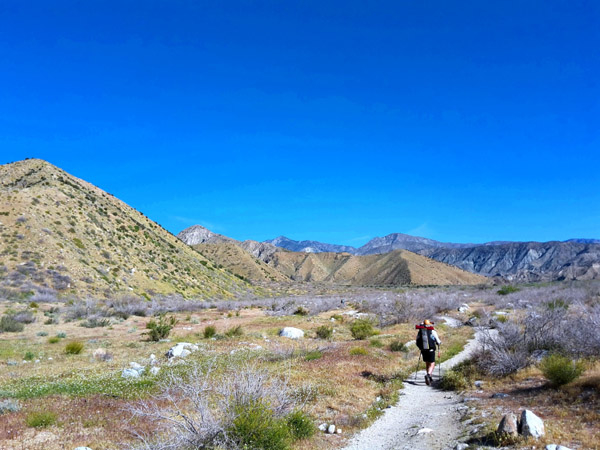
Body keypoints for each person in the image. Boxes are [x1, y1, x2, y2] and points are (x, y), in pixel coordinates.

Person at [416, 319, 442, 385]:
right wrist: (438, 343)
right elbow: (438, 341)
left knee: (427, 363)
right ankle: (428, 375)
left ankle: (429, 377)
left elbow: (417, 341)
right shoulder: (432, 331)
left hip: (423, 350)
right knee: (432, 363)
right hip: (431, 349)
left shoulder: (420, 332)